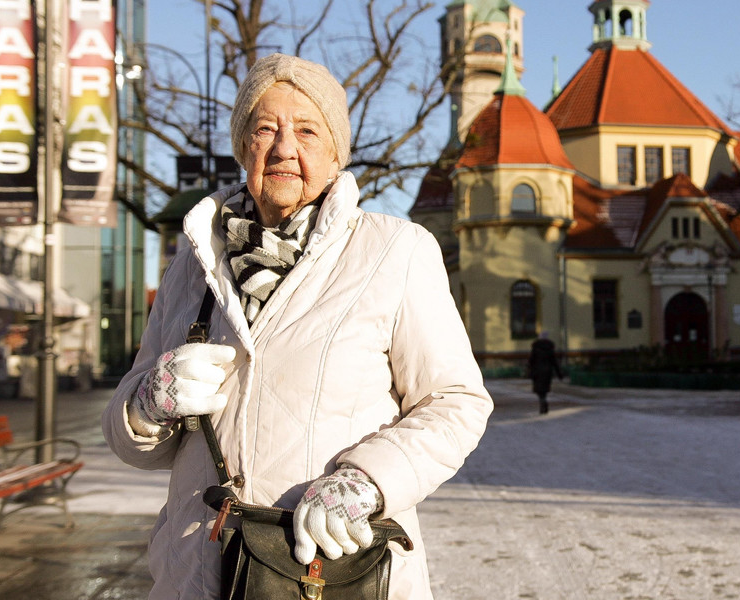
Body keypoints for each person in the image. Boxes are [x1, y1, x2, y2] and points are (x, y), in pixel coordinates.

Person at [102, 53, 492, 600]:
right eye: (266, 128)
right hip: (196, 571)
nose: (285, 147)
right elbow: (133, 443)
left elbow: (457, 401)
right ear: (244, 148)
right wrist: (145, 405)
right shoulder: (192, 264)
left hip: (329, 571)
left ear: (336, 154)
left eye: (308, 130)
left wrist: (370, 482)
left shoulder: (394, 251)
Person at [528, 332, 563, 414]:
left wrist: (529, 371)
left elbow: (531, 361)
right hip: (547, 371)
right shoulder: (550, 348)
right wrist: (559, 374)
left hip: (537, 371)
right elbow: (554, 362)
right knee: (544, 389)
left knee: (539, 390)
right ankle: (543, 401)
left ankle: (542, 402)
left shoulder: (535, 348)